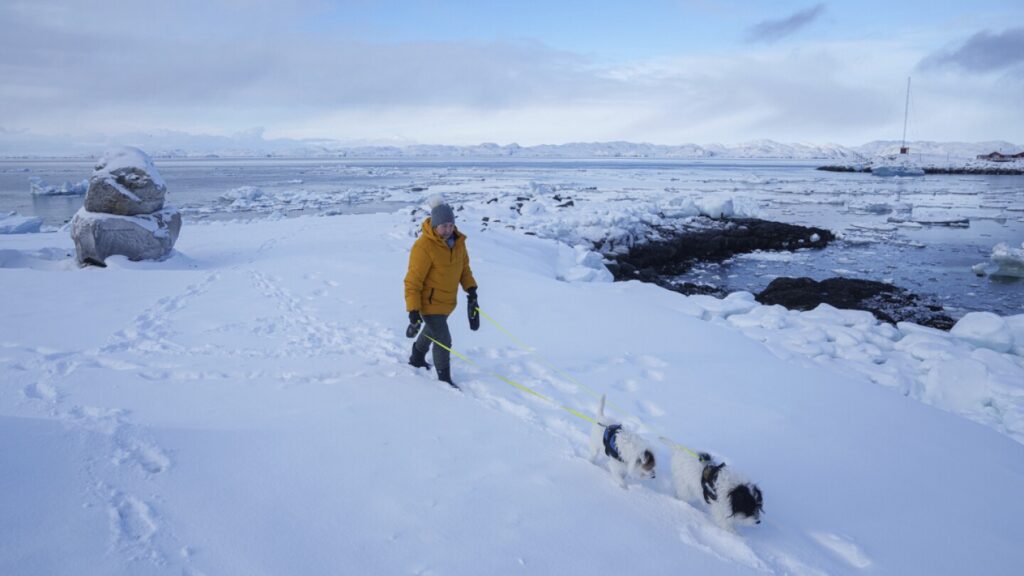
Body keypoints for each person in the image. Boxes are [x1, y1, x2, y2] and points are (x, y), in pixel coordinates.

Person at [404, 199, 479, 388]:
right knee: (443, 339)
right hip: (429, 304)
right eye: (444, 226)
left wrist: (471, 290)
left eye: (451, 224)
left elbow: (464, 270)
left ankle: (416, 357)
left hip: (447, 302)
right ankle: (444, 378)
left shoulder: (459, 244)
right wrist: (413, 309)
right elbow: (413, 281)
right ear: (435, 225)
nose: (448, 229)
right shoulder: (424, 247)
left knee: (431, 331)